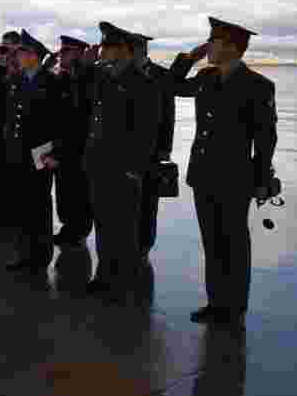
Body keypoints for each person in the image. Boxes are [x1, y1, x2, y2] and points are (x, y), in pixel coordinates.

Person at [169, 17, 277, 326]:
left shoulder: (258, 86)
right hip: (203, 174)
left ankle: (235, 307)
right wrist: (188, 58)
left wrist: (261, 180)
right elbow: (172, 86)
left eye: (213, 41)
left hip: (235, 178)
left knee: (234, 243)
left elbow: (265, 138)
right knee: (212, 241)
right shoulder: (205, 77)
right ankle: (216, 303)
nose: (209, 46)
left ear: (232, 47)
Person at [81, 22, 160, 301]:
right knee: (103, 224)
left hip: (123, 169)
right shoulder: (104, 77)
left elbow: (146, 132)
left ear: (125, 50)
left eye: (109, 47)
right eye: (103, 46)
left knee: (124, 229)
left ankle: (122, 282)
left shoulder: (142, 83)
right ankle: (104, 277)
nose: (103, 51)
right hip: (98, 164)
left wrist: (134, 169)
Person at [0, 30, 64, 271]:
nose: (18, 56)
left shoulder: (51, 82)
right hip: (17, 152)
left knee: (39, 206)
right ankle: (24, 253)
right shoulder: (16, 81)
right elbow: (9, 119)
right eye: (18, 53)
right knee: (21, 205)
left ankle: (40, 255)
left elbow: (59, 121)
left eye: (23, 52)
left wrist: (55, 154)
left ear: (35, 56)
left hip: (40, 153)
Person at [135, 33, 176, 259]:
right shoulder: (120, 74)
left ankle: (144, 245)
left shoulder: (160, 75)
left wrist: (165, 148)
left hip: (152, 148)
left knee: (148, 199)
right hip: (127, 147)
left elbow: (168, 113)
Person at [52, 35, 93, 245]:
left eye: (67, 51)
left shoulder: (87, 78)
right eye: (61, 51)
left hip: (80, 146)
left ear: (78, 54)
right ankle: (68, 226)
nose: (61, 55)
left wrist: (82, 69)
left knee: (78, 190)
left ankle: (79, 230)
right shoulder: (61, 78)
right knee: (63, 189)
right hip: (61, 146)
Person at [0, 30, 22, 227]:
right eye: (2, 48)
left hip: (16, 135)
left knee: (15, 179)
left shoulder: (21, 70)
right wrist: (0, 67)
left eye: (10, 50)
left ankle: (15, 214)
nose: (6, 53)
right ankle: (1, 212)